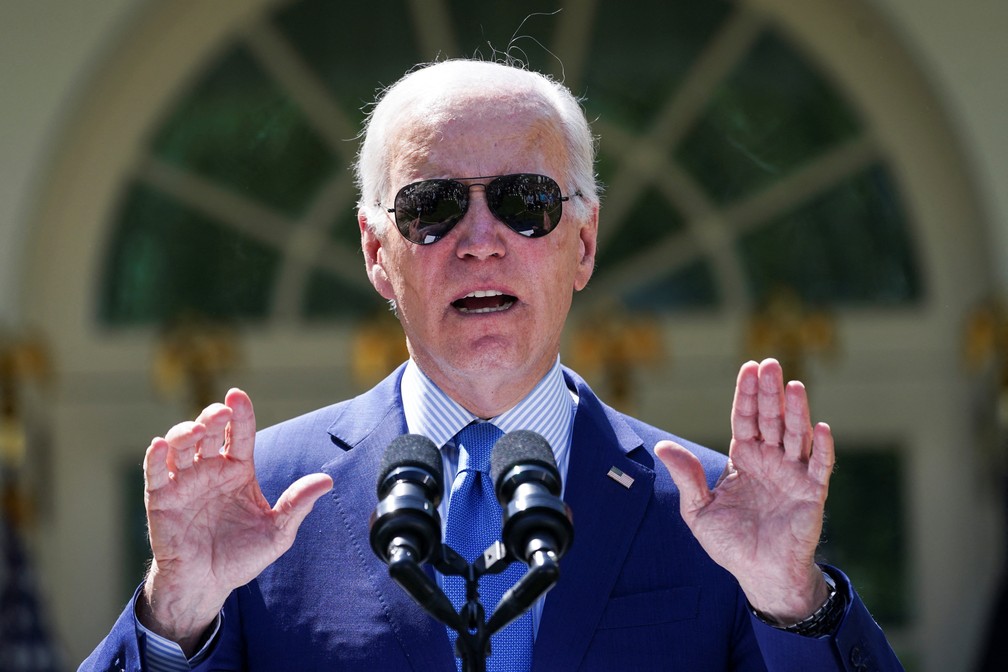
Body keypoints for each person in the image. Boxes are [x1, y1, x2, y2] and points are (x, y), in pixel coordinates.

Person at [81, 58, 902, 671]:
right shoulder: (264, 500)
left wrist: (793, 601)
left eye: (526, 203)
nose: (481, 241)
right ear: (376, 253)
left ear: (582, 243)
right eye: (431, 208)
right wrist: (176, 612)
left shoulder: (710, 510)